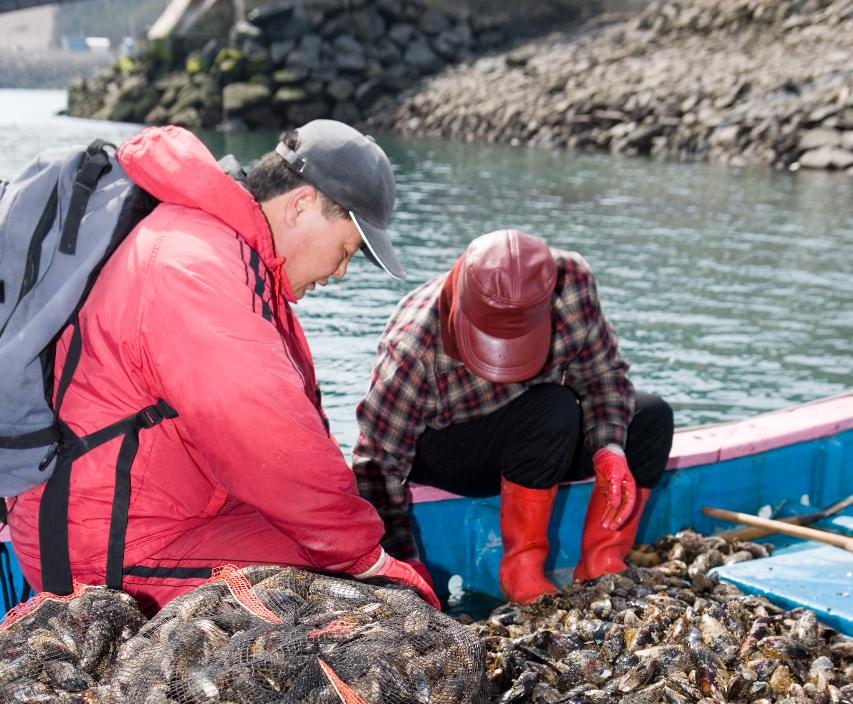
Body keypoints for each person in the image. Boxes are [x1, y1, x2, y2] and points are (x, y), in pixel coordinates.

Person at [7, 121, 439, 612]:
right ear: (301, 205)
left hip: (173, 515)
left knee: (362, 580)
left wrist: (366, 546)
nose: (340, 271)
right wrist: (366, 559)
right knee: (365, 601)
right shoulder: (195, 263)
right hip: (108, 550)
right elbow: (268, 437)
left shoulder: (229, 252)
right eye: (346, 250)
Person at [352, 228, 674, 604]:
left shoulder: (571, 282)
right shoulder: (414, 343)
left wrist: (608, 448)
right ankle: (522, 574)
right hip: (456, 450)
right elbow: (377, 467)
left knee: (650, 418)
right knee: (553, 406)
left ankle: (602, 566)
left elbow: (603, 376)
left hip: (544, 441)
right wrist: (402, 563)